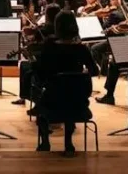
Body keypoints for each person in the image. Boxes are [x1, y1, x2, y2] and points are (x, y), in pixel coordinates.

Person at [32, 11, 98, 153]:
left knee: (40, 109)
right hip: (78, 102)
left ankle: (45, 143)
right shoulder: (82, 49)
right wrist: (82, 74)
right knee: (69, 100)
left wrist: (34, 64)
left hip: (53, 100)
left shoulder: (50, 47)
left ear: (57, 27)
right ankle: (68, 143)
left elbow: (41, 76)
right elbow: (95, 71)